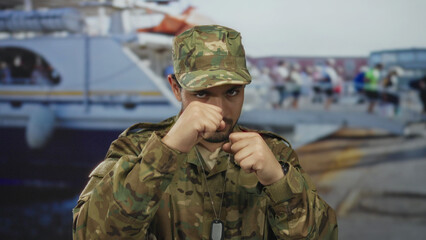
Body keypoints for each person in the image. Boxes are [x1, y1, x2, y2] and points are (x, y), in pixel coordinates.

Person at [72, 25, 338, 239]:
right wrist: (166, 152)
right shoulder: (136, 150)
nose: (220, 110)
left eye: (232, 92)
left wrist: (278, 183)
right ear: (176, 89)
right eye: (202, 94)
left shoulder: (274, 153)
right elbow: (90, 234)